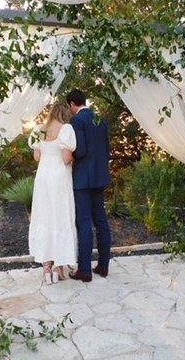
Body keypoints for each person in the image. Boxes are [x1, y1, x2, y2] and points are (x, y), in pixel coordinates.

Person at [28, 103, 78, 285]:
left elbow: (37, 157)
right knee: (61, 217)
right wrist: (73, 157)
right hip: (59, 178)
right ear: (64, 114)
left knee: (45, 218)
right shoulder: (66, 129)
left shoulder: (39, 129)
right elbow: (66, 159)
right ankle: (59, 267)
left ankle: (47, 268)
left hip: (43, 178)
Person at [66, 88, 111, 282]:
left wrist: (71, 153)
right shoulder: (99, 119)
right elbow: (106, 147)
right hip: (100, 176)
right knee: (101, 221)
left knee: (83, 223)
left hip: (83, 179)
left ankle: (84, 270)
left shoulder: (77, 120)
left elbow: (81, 150)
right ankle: (103, 266)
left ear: (72, 104)